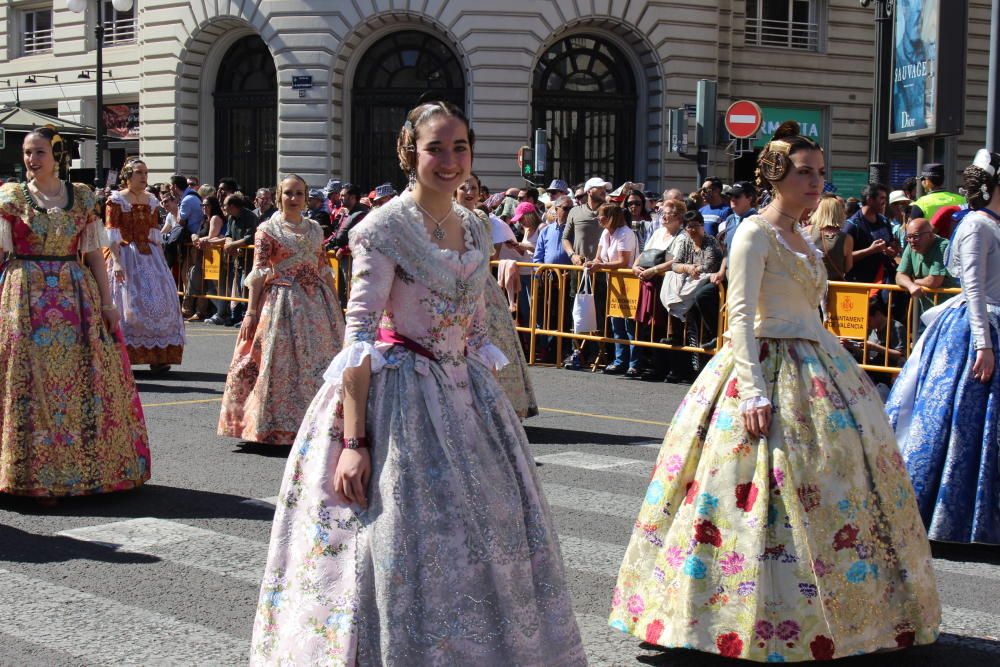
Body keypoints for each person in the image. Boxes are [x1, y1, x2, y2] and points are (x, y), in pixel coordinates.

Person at [249, 101, 584, 665]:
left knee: (487, 534)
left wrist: (485, 379)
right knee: (401, 539)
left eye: (460, 148)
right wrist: (354, 444)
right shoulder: (383, 227)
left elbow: (474, 325)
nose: (450, 160)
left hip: (467, 394)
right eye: (436, 148)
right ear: (410, 152)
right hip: (400, 396)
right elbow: (358, 337)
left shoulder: (476, 225)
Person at [610, 121, 940, 661]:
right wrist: (753, 391)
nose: (816, 183)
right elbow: (739, 314)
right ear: (776, 176)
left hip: (818, 363)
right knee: (752, 496)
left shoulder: (802, 237)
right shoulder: (753, 233)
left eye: (820, 173)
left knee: (836, 486)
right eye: (805, 173)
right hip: (766, 361)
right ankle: (740, 616)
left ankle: (848, 614)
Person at [0, 127, 150, 500]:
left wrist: (107, 302)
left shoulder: (82, 198)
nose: (31, 160)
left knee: (82, 378)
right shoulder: (11, 198)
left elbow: (95, 256)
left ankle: (87, 467)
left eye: (38, 153)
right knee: (28, 379)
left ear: (56, 156)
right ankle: (29, 472)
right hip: (24, 294)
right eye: (27, 152)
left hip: (74, 294)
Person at [886, 149, 1000, 545]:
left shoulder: (991, 224)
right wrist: (983, 344)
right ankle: (941, 515)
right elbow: (972, 287)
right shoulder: (977, 227)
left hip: (989, 324)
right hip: (972, 331)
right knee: (960, 425)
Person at [218, 174, 345, 445]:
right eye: (288, 193)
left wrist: (336, 304)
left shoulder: (315, 229)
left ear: (306, 196)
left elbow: (323, 268)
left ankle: (319, 422)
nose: (294, 199)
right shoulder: (268, 229)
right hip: (281, 301)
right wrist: (251, 312)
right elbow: (259, 271)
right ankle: (275, 425)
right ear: (279, 196)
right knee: (279, 363)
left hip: (316, 302)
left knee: (319, 360)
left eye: (299, 193)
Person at [458, 174, 538, 419]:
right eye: (464, 187)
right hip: (455, 285)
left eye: (474, 187)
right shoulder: (444, 216)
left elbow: (489, 256)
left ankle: (500, 408)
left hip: (482, 286)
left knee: (494, 342)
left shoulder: (482, 218)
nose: (470, 192)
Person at [103, 158, 185, 372]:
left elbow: (154, 234)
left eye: (145, 173)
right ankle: (124, 354)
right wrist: (117, 263)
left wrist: (162, 267)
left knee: (162, 300)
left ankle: (159, 356)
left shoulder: (151, 200)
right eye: (139, 172)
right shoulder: (115, 200)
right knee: (127, 304)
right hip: (124, 253)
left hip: (149, 256)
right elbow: (112, 235)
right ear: (127, 176)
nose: (143, 177)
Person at [663, 210, 723, 382]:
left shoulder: (710, 242)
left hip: (704, 289)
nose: (693, 230)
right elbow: (675, 264)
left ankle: (702, 369)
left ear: (702, 226)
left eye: (696, 226)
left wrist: (689, 268)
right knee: (671, 280)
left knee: (698, 328)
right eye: (689, 227)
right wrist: (688, 268)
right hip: (689, 282)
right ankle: (678, 358)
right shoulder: (686, 242)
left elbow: (708, 265)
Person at [632, 198, 686, 380]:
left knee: (667, 327)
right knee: (650, 326)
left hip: (668, 285)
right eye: (662, 213)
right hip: (650, 283)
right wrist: (635, 266)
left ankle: (668, 367)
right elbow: (645, 252)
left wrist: (654, 270)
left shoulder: (682, 236)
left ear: (678, 216)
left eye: (667, 213)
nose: (663, 216)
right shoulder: (658, 232)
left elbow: (676, 260)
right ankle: (654, 364)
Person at [562, 176, 610, 369]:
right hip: (579, 270)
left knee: (599, 310)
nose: (603, 192)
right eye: (600, 189)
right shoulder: (575, 211)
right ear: (589, 191)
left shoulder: (608, 211)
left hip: (601, 270)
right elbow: (566, 238)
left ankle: (598, 353)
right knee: (578, 310)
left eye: (604, 190)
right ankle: (578, 352)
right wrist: (572, 254)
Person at [895, 217, 956, 336]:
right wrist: (911, 286)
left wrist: (915, 281)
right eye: (909, 237)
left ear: (930, 235)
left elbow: (934, 281)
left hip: (948, 312)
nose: (912, 240)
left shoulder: (942, 246)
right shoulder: (911, 246)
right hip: (927, 313)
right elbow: (899, 276)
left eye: (916, 236)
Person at [845, 183, 899, 286]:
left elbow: (889, 247)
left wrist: (892, 250)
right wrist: (870, 250)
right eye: (881, 198)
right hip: (861, 283)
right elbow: (844, 258)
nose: (885, 202)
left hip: (884, 281)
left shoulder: (884, 221)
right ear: (870, 200)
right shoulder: (852, 226)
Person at [222, 192, 260, 326]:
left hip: (249, 258)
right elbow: (228, 234)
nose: (223, 208)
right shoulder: (231, 218)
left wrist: (233, 244)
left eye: (225, 205)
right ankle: (236, 315)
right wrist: (229, 243)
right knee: (237, 286)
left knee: (246, 285)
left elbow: (251, 237)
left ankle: (246, 315)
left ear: (233, 206)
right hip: (237, 258)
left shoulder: (250, 217)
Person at [809, 194, 853, 281]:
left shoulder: (807, 231)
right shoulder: (847, 238)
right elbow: (848, 268)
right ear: (839, 213)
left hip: (812, 286)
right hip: (834, 288)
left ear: (820, 211)